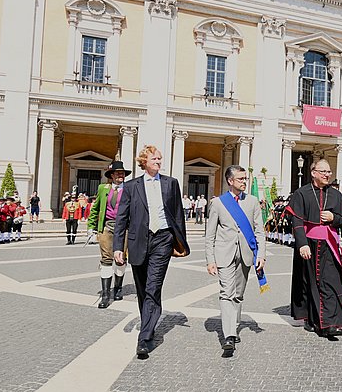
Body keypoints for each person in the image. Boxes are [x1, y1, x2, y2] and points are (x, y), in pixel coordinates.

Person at [113, 145, 190, 359]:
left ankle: (145, 339)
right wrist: (118, 246)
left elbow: (177, 214)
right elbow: (122, 218)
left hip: (162, 239)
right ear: (144, 161)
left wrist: (178, 241)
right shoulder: (131, 186)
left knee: (153, 287)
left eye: (160, 158)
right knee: (142, 289)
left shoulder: (171, 183)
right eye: (154, 158)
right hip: (139, 240)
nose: (158, 161)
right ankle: (149, 322)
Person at [205, 165, 266, 357]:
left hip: (246, 254)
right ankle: (229, 336)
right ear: (230, 181)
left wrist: (261, 254)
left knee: (238, 294)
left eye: (245, 179)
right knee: (226, 293)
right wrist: (210, 259)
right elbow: (210, 234)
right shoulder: (218, 203)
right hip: (225, 254)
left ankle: (235, 325)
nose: (244, 182)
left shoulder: (253, 202)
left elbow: (259, 231)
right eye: (240, 179)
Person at [288, 159, 342, 339]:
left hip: (330, 244)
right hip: (309, 243)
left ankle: (332, 322)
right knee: (310, 282)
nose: (327, 175)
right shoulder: (302, 193)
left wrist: (334, 217)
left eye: (329, 172)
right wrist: (302, 244)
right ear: (313, 172)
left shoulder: (335, 194)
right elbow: (297, 221)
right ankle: (315, 320)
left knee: (331, 281)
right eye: (323, 171)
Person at [88, 160, 132, 309]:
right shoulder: (103, 188)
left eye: (123, 173)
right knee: (106, 259)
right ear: (112, 175)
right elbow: (95, 209)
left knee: (120, 259)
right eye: (118, 173)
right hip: (106, 226)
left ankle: (118, 287)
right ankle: (106, 295)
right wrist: (91, 228)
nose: (121, 175)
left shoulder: (129, 189)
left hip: (124, 228)